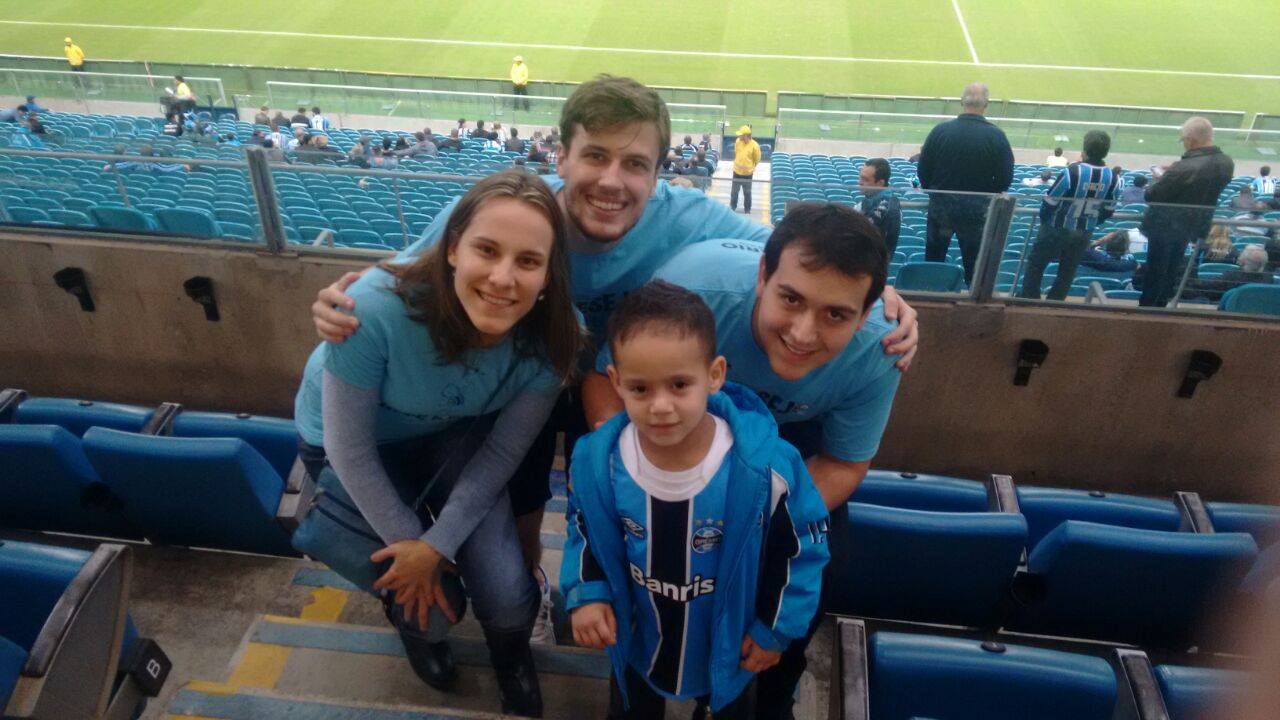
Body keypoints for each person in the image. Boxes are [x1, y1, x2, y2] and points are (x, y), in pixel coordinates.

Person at [310, 75, 919, 647]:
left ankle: (618, 601)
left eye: (635, 164)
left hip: (619, 379)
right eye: (595, 156)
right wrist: (346, 300)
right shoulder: (512, 216)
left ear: (659, 175)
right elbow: (412, 272)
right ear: (561, 158)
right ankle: (532, 591)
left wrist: (881, 298)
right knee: (528, 488)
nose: (612, 180)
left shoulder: (690, 220)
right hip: (527, 378)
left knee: (596, 489)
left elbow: (802, 261)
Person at [581, 203, 903, 720]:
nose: (802, 332)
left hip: (794, 443)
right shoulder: (694, 299)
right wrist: (628, 471)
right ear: (761, 277)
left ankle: (769, 687)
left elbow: (842, 463)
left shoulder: (879, 351)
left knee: (817, 568)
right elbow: (603, 378)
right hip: (677, 430)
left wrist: (751, 525)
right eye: (791, 298)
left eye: (836, 314)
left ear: (865, 316)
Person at [293, 171, 584, 717]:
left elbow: (502, 453)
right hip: (350, 448)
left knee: (502, 584)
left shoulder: (557, 335)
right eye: (486, 250)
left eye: (527, 261)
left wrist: (439, 544)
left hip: (446, 431)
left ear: (549, 275)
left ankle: (511, 656)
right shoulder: (375, 309)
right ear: (452, 249)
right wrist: (413, 548)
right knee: (426, 599)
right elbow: (348, 447)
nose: (502, 278)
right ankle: (418, 633)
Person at [563, 281, 829, 719]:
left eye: (680, 384)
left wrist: (776, 630)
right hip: (637, 637)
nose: (661, 406)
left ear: (715, 375)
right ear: (616, 381)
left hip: (731, 646)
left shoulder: (766, 470)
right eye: (641, 389)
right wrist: (588, 591)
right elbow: (583, 527)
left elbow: (802, 550)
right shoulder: (598, 464)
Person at [918, 82, 1014, 285]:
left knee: (934, 259)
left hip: (941, 207)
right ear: (986, 105)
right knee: (974, 264)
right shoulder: (997, 136)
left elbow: (923, 169)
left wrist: (935, 192)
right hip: (976, 211)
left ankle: (932, 298)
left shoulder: (940, 131)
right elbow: (1005, 179)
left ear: (962, 102)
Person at [1138, 116, 1234, 307]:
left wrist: (1161, 177)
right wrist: (1173, 173)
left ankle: (1147, 313)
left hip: (1165, 225)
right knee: (1172, 270)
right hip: (1193, 224)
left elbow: (1151, 195)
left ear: (1191, 139)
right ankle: (1159, 307)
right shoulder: (1226, 163)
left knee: (1156, 273)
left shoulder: (1183, 168)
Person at [1018, 130, 1120, 300]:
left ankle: (1029, 299)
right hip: (1084, 231)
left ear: (1085, 150)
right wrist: (1091, 222)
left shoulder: (1072, 172)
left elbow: (1050, 201)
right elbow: (1109, 210)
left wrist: (1047, 222)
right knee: (1068, 270)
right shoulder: (1115, 178)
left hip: (1057, 228)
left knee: (1036, 263)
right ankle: (1055, 302)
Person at [1180, 245, 1274, 302]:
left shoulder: (1232, 276)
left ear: (1242, 262)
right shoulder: (1269, 278)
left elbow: (1207, 288)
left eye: (1241, 254)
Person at [858, 158, 902, 255]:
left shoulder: (887, 206)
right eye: (860, 177)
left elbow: (861, 235)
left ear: (880, 183)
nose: (860, 182)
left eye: (865, 179)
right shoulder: (869, 199)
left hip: (872, 264)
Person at [730, 125, 761, 215]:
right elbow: (736, 153)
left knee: (747, 192)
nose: (739, 136)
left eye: (741, 135)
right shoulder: (737, 142)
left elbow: (757, 159)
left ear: (746, 136)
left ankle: (747, 209)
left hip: (748, 174)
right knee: (734, 191)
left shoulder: (754, 146)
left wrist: (750, 167)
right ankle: (732, 206)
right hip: (736, 172)